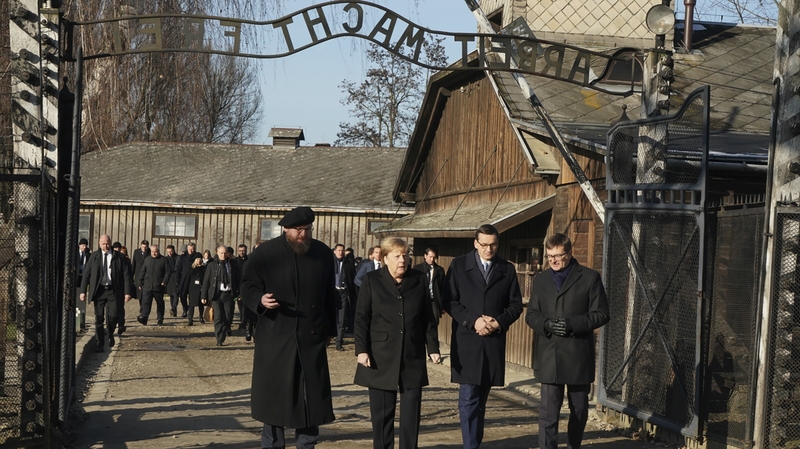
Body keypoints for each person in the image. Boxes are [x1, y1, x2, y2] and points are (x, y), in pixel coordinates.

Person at [240, 206, 337, 449]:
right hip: (275, 335)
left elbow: (329, 294)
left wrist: (330, 330)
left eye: (307, 229)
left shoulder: (322, 253)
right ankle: (272, 444)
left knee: (309, 397)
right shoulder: (266, 253)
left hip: (310, 335)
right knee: (275, 396)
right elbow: (247, 285)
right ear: (286, 229)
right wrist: (260, 300)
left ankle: (307, 444)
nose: (303, 234)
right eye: (298, 230)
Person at [354, 237, 440, 449]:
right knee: (382, 415)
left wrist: (433, 348)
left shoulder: (418, 279)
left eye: (406, 255)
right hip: (380, 355)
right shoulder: (372, 279)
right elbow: (361, 317)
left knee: (411, 412)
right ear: (384, 258)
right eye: (397, 256)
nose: (403, 260)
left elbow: (427, 317)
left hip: (412, 354)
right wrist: (362, 349)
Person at [525, 233, 610, 449]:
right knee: (548, 413)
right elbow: (531, 314)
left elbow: (601, 314)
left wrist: (572, 325)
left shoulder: (590, 278)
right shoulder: (542, 279)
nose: (552, 260)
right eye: (549, 256)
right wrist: (546, 324)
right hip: (549, 355)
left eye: (558, 256)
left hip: (578, 355)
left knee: (579, 410)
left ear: (569, 253)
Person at [443, 224, 523, 449]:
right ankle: (471, 445)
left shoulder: (506, 269)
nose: (489, 249)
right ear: (475, 243)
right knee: (468, 398)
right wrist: (473, 320)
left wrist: (498, 322)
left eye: (494, 245)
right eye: (485, 245)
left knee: (481, 400)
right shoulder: (459, 265)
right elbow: (449, 300)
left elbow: (516, 305)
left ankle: (474, 442)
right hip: (467, 340)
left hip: (492, 341)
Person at [79, 234, 132, 352]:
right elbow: (86, 274)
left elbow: (126, 275)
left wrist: (127, 292)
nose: (106, 246)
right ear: (99, 244)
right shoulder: (94, 257)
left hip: (113, 291)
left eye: (107, 243)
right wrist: (83, 291)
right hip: (99, 291)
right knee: (98, 318)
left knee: (113, 316)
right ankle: (100, 343)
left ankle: (111, 332)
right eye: (103, 244)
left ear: (110, 242)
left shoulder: (118, 257)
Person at [201, 244, 240, 346]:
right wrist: (203, 296)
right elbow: (206, 281)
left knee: (228, 317)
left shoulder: (233, 264)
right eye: (221, 253)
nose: (223, 255)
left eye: (225, 253)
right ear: (217, 253)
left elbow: (238, 279)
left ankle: (225, 329)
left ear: (228, 253)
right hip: (216, 294)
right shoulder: (212, 265)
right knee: (218, 317)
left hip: (228, 294)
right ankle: (219, 339)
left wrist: (239, 293)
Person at [413, 247, 446, 362]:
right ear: (425, 256)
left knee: (433, 326)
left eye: (434, 257)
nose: (432, 259)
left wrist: (442, 305)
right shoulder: (417, 269)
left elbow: (443, 288)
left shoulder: (439, 270)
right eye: (430, 256)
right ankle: (421, 351)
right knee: (420, 325)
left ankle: (433, 351)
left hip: (434, 301)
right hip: (421, 301)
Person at [137, 243, 171, 325]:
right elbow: (142, 271)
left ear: (158, 251)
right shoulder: (147, 259)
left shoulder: (164, 260)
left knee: (159, 303)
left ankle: (160, 318)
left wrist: (164, 281)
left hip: (158, 286)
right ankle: (144, 318)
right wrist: (139, 282)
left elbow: (168, 272)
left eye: (155, 252)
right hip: (147, 286)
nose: (154, 253)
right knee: (146, 303)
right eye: (152, 252)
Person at [332, 243, 356, 351]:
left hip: (344, 293)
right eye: (339, 250)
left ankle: (339, 342)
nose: (341, 252)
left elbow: (352, 279)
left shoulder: (348, 263)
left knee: (342, 318)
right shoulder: (330, 262)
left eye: (342, 250)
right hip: (332, 292)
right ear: (334, 251)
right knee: (331, 316)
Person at [175, 243, 202, 324]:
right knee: (182, 295)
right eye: (189, 249)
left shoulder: (197, 255)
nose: (191, 250)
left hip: (193, 279)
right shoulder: (182, 257)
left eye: (192, 249)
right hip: (184, 278)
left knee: (192, 297)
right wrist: (177, 280)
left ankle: (190, 314)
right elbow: (178, 270)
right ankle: (185, 309)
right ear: (187, 249)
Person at [111, 241, 131, 335]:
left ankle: (121, 325)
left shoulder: (125, 260)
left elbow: (128, 276)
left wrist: (127, 291)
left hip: (121, 287)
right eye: (116, 248)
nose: (117, 250)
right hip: (112, 288)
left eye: (119, 248)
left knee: (120, 307)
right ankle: (112, 325)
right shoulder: (111, 258)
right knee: (112, 308)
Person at [188, 250, 212, 325]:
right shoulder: (191, 269)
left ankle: (201, 317)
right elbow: (187, 279)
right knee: (191, 305)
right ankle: (190, 319)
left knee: (201, 304)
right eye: (197, 259)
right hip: (193, 289)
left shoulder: (204, 269)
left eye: (199, 259)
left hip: (201, 288)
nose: (198, 260)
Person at [76, 237, 91, 332]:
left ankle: (82, 323)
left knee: (82, 300)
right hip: (76, 278)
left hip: (83, 278)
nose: (84, 247)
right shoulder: (75, 254)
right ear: (79, 245)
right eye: (82, 245)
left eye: (85, 246)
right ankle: (77, 322)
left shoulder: (88, 255)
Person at [165, 244, 181, 317]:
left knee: (176, 294)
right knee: (171, 295)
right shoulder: (166, 259)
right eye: (168, 252)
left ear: (173, 251)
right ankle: (173, 309)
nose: (169, 253)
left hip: (176, 277)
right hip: (169, 278)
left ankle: (174, 308)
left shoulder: (178, 258)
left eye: (171, 252)